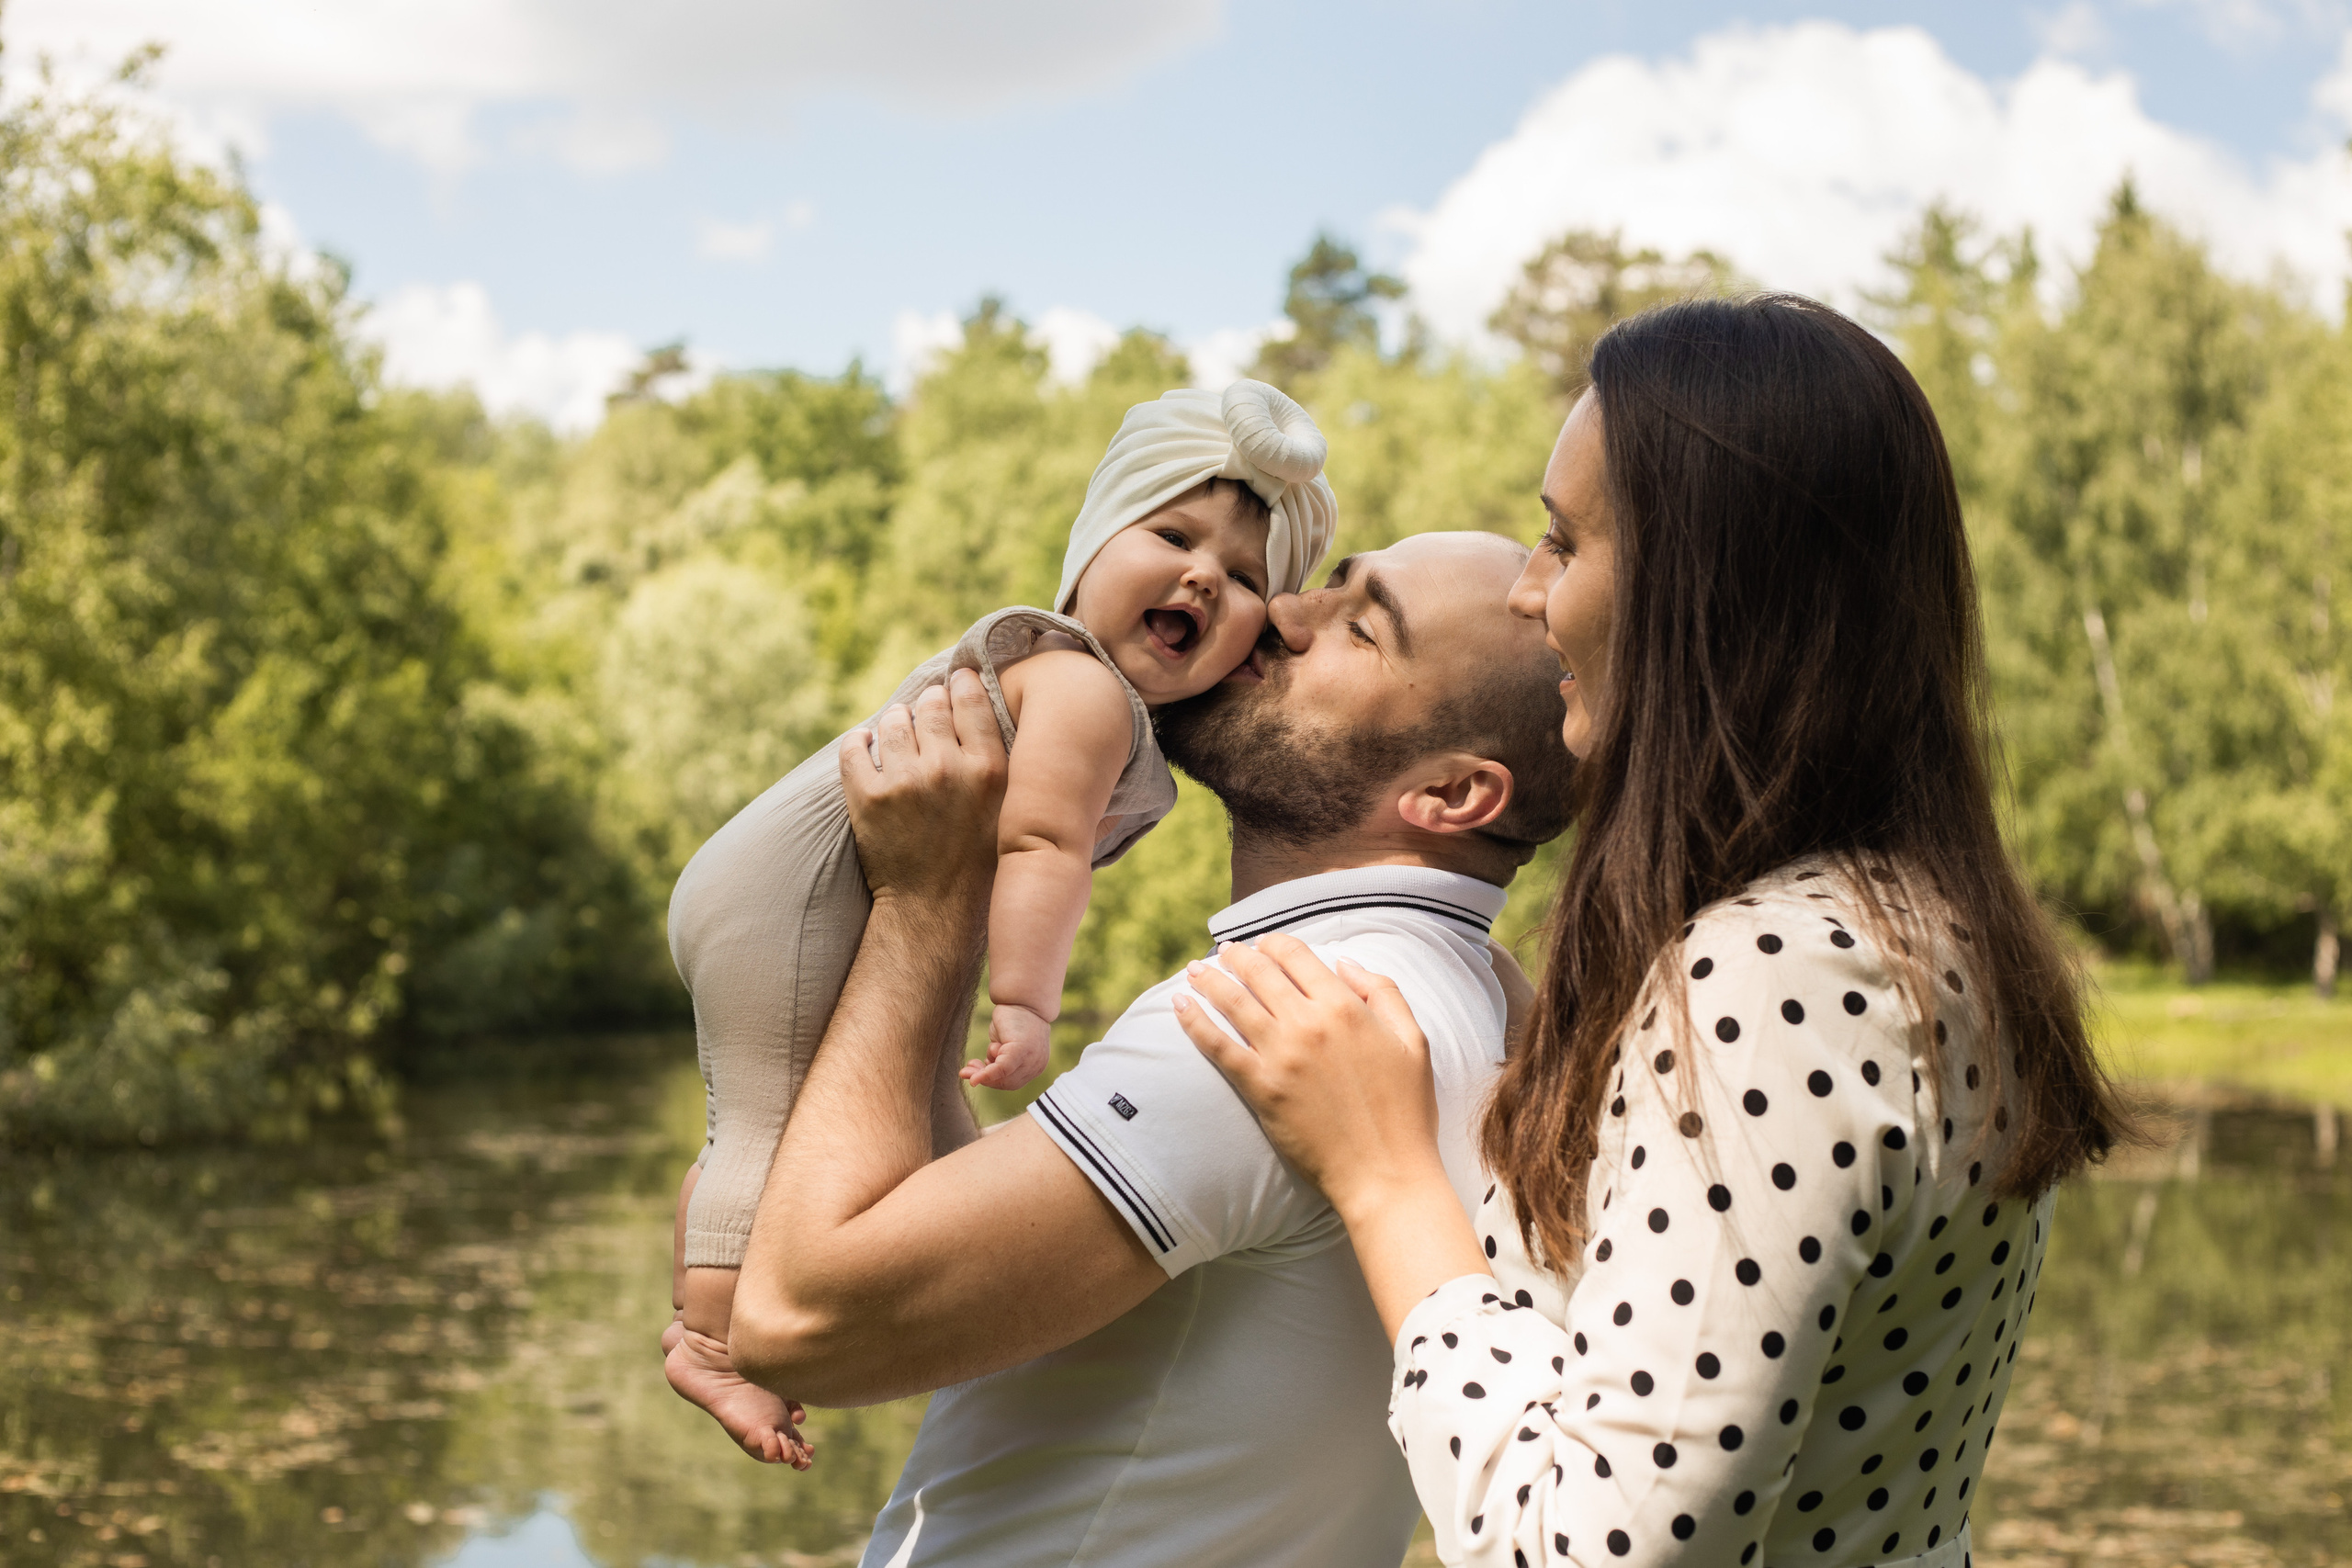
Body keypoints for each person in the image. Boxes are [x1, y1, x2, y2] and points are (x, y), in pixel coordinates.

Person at [1175, 295, 2132, 1568]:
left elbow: (1596, 1546)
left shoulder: (1784, 970)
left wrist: (1384, 1172)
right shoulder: (1912, 926)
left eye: (1562, 545)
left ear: (1704, 596)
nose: (1529, 596)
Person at [727, 530, 1576, 1568]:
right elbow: (957, 1252)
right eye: (1327, 581)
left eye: (1357, 627)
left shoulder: (1281, 1018)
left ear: (1451, 795)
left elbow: (797, 1319)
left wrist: (924, 899)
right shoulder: (1482, 1001)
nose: (1280, 615)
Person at [662, 380, 1339, 1464]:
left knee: (925, 1160)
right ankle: (712, 1344)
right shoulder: (1079, 686)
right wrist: (1026, 1001)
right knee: (762, 1122)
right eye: (1170, 533)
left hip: (816, 893)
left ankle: (903, 1311)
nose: (1204, 573)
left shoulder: (1108, 704)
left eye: (1248, 579)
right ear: (1087, 554)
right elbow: (1039, 847)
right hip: (786, 896)